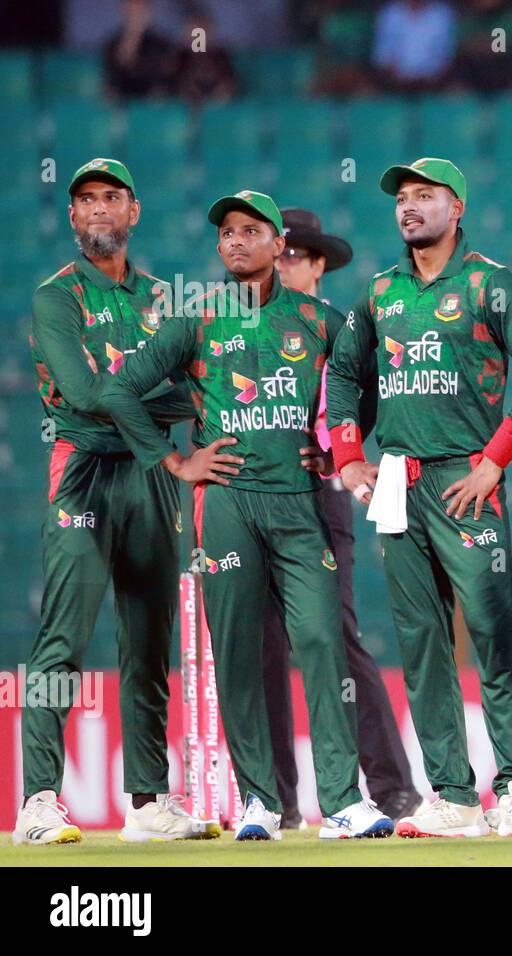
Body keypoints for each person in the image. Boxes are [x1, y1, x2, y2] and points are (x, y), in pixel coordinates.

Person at [99, 189, 393, 842]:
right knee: (236, 653)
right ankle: (259, 800)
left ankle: (343, 801)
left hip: (297, 504)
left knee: (320, 640)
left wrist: (336, 447)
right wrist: (174, 464)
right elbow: (119, 388)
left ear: (274, 245)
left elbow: (364, 386)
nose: (234, 241)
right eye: (225, 233)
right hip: (226, 505)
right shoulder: (196, 320)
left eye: (248, 231)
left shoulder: (321, 321)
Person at [327, 157, 512, 838]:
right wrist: (348, 455)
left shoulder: (489, 283)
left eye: (424, 196)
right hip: (398, 478)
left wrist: (496, 461)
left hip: (467, 478)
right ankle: (454, 796)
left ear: (456, 207)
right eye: (402, 197)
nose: (409, 207)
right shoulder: (379, 293)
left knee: (490, 633)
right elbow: (343, 372)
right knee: (422, 641)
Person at [13, 158, 215, 846]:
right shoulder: (56, 297)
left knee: (150, 642)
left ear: (133, 212)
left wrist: (125, 396)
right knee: (63, 640)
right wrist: (145, 403)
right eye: (86, 200)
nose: (99, 209)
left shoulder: (168, 298)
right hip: (85, 474)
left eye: (112, 198)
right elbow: (79, 391)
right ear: (72, 218)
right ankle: (38, 800)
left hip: (153, 477)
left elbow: (198, 393)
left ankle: (149, 802)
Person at [260, 207, 421, 829]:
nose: (287, 263)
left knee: (333, 637)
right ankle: (275, 800)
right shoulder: (248, 327)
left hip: (321, 492)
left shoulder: (339, 328)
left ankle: (390, 790)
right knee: (265, 645)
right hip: (255, 496)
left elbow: (370, 395)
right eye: (282, 253)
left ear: (321, 265)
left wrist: (334, 450)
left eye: (299, 254)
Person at [372, 0, 457, 93]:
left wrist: (432, 79)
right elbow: (382, 54)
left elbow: (447, 55)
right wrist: (396, 79)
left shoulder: (442, 13)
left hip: (434, 83)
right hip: (395, 83)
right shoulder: (390, 13)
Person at [103, 0, 177, 99]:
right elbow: (116, 75)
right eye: (134, 9)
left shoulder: (162, 44)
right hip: (123, 99)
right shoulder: (112, 45)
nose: (137, 14)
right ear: (125, 10)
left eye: (141, 9)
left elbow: (163, 78)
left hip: (154, 102)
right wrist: (133, 36)